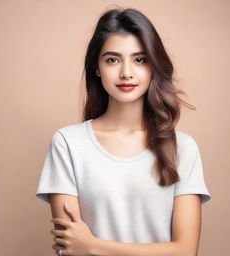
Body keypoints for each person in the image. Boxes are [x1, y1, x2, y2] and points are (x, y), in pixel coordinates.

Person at [36, 7, 212, 256]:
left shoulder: (182, 148)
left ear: (153, 67)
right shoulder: (68, 143)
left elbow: (185, 251)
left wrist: (93, 246)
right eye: (112, 59)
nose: (126, 72)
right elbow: (71, 249)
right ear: (96, 67)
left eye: (140, 59)